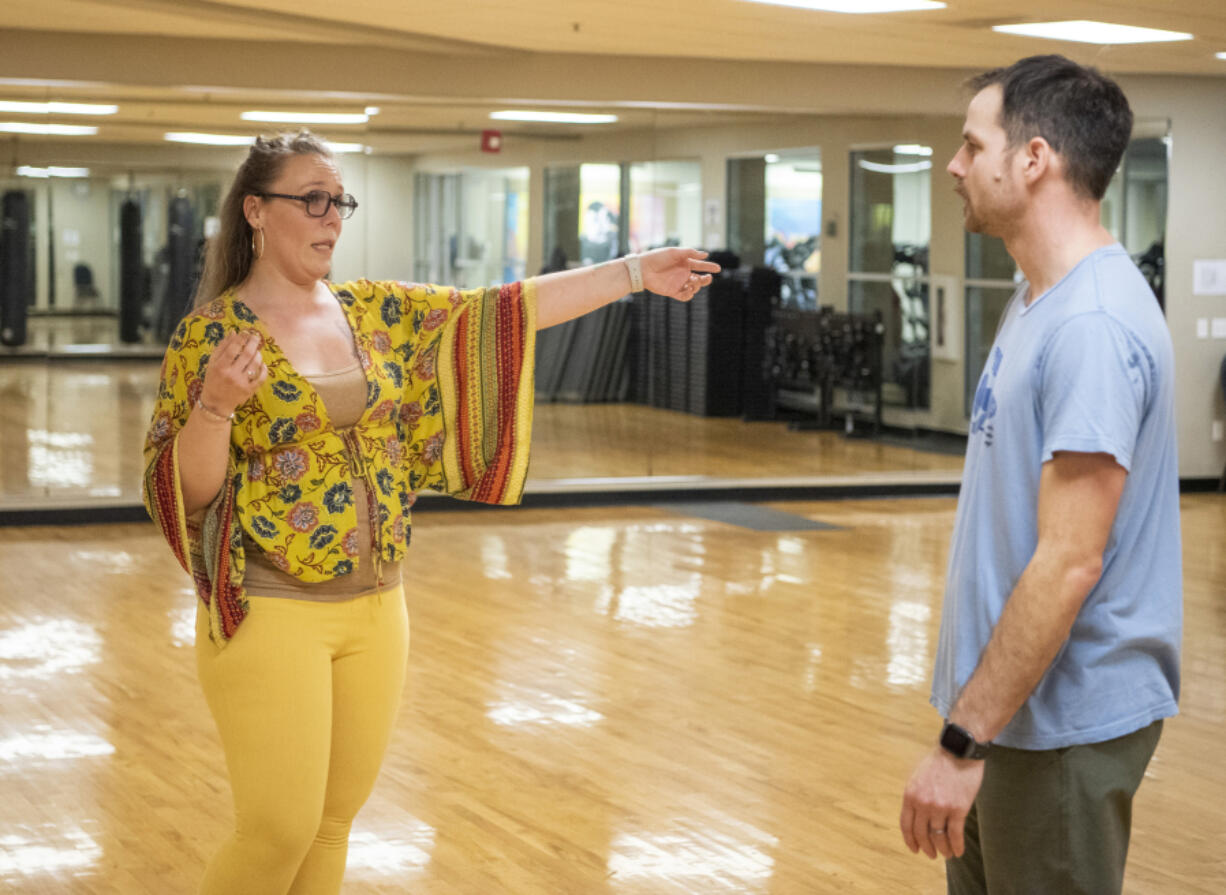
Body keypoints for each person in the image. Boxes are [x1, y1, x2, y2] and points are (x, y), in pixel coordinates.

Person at [141, 130, 717, 895]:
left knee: (331, 822)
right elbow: (189, 493)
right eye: (310, 200)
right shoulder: (211, 335)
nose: (330, 217)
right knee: (276, 828)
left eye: (338, 201)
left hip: (378, 607)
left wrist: (635, 272)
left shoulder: (374, 312)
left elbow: (504, 313)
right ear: (255, 210)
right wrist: (214, 408)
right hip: (272, 607)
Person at [899, 55, 1181, 894]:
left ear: (1033, 158)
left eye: (971, 144)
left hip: (1059, 729)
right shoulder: (1038, 299)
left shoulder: (1092, 325)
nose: (954, 165)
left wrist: (960, 743)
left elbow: (1069, 561)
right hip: (1008, 721)